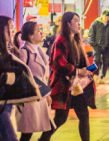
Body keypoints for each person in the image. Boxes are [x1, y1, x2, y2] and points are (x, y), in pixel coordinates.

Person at [0, 15, 41, 141]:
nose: (13, 30)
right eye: (10, 27)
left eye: (13, 27)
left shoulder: (10, 50)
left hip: (6, 102)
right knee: (10, 137)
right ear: (1, 30)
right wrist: (10, 78)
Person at [41, 11, 96, 141]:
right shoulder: (60, 40)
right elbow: (57, 63)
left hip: (77, 86)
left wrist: (86, 70)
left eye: (78, 20)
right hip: (64, 86)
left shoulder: (76, 40)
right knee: (60, 119)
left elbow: (81, 62)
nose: (78, 23)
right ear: (68, 23)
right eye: (76, 20)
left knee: (84, 115)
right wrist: (77, 71)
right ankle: (43, 139)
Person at [13, 22, 54, 141]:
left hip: (40, 94)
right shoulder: (24, 52)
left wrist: (46, 94)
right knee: (28, 131)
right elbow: (21, 75)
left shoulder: (39, 49)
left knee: (45, 127)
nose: (41, 33)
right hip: (30, 96)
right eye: (38, 30)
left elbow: (42, 76)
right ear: (31, 35)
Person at [88, 10, 109, 84]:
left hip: (107, 46)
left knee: (106, 62)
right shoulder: (95, 23)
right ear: (102, 15)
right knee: (96, 61)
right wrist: (93, 44)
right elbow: (91, 34)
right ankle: (95, 75)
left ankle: (103, 77)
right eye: (105, 16)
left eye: (108, 16)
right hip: (97, 46)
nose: (106, 17)